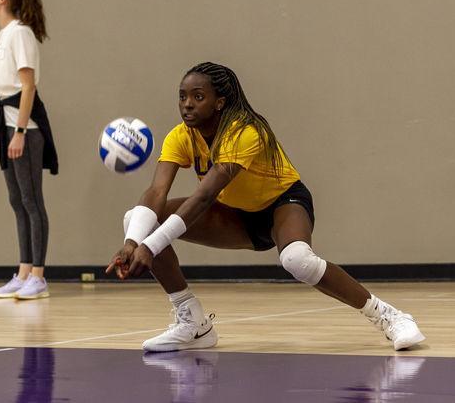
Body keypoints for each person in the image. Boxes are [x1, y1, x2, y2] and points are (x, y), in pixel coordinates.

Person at [106, 62, 425, 351]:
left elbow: (203, 197)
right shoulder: (180, 137)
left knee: (298, 260)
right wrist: (132, 243)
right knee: (137, 218)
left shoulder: (245, 131)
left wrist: (150, 246)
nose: (187, 104)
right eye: (182, 96)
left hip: (282, 205)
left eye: (198, 96)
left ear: (219, 102)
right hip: (235, 215)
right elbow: (156, 190)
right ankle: (193, 325)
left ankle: (389, 316)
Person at [0, 0, 58, 300]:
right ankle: (24, 270)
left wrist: (21, 132)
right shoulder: (5, 35)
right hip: (7, 127)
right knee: (17, 201)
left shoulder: (21, 34)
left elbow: (28, 87)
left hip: (23, 129)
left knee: (31, 201)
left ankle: (38, 277)